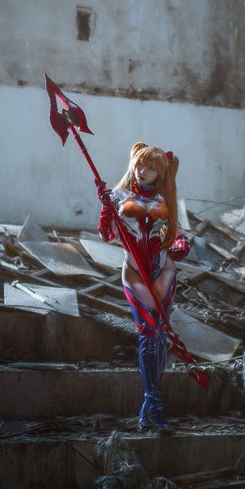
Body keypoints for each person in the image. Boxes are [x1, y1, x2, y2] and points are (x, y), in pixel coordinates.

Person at [97, 142, 189, 431]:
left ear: (160, 173)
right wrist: (106, 209)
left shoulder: (166, 199)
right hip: (135, 273)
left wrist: (180, 246)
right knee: (148, 333)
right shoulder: (118, 196)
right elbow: (105, 235)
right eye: (139, 164)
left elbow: (178, 235)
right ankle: (155, 403)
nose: (142, 171)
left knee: (159, 336)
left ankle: (148, 409)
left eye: (150, 167)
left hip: (164, 272)